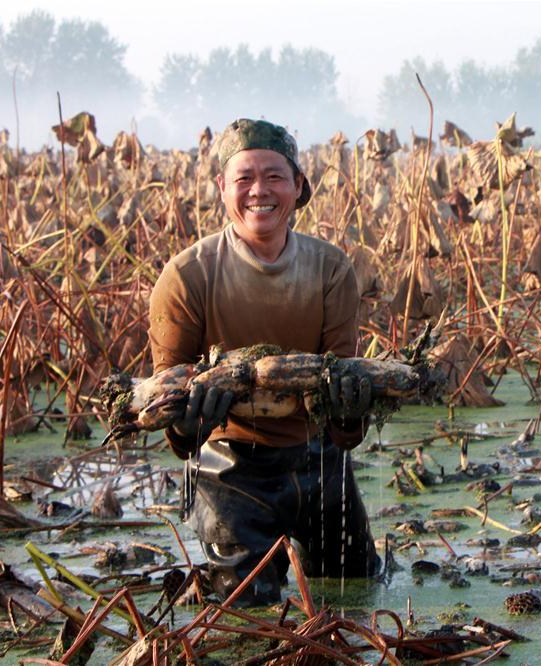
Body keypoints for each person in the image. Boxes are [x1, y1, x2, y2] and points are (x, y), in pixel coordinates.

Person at [148, 118, 380, 607]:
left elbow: (344, 422)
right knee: (245, 612)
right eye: (245, 178)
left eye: (275, 177)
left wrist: (350, 410)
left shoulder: (330, 268)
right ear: (222, 188)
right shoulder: (187, 276)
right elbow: (173, 424)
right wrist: (187, 420)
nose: (260, 191)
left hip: (319, 461)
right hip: (228, 468)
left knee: (357, 592)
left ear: (298, 186)